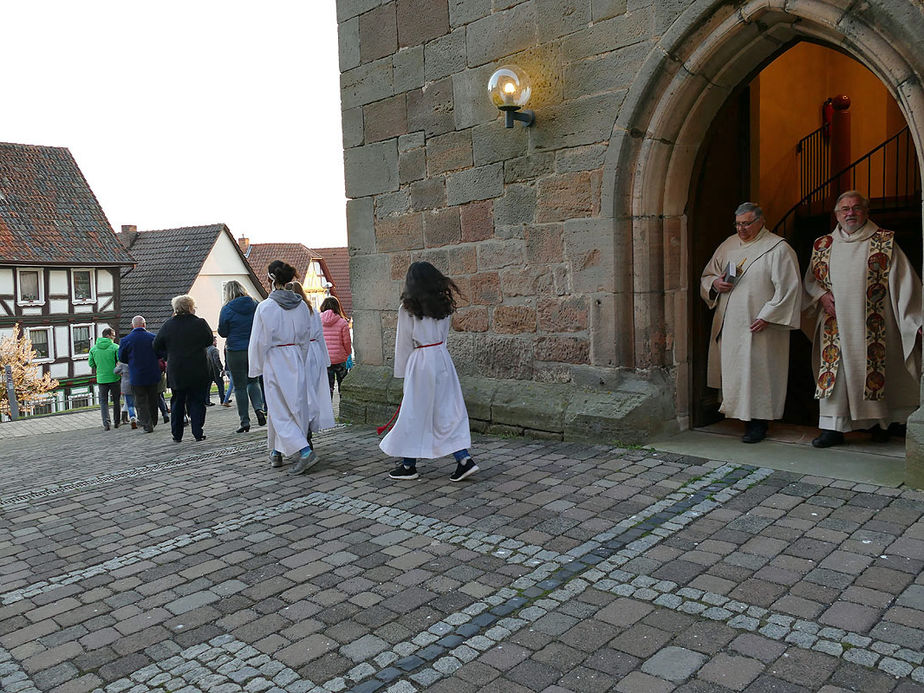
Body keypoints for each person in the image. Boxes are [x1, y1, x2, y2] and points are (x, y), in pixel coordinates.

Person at [804, 190, 922, 448]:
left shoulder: (884, 242)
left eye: (856, 208)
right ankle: (832, 428)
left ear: (866, 212)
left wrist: (916, 319)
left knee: (875, 373)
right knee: (837, 376)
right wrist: (821, 296)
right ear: (836, 215)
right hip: (834, 325)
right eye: (844, 209)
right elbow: (811, 282)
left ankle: (881, 424)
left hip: (875, 324)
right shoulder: (823, 245)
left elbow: (905, 284)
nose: (850, 213)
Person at [700, 202, 802, 443]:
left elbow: (790, 288)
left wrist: (768, 314)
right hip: (731, 323)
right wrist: (715, 284)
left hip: (761, 326)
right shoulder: (728, 245)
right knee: (736, 370)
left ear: (761, 221)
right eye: (738, 224)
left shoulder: (777, 248)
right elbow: (708, 275)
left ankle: (758, 423)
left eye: (746, 223)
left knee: (759, 373)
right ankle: (740, 418)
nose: (741, 229)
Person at [380, 261, 478, 482]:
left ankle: (408, 465)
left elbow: (404, 342)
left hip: (421, 361)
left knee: (414, 412)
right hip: (442, 358)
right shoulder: (443, 305)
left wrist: (403, 372)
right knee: (446, 410)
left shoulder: (408, 309)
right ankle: (463, 459)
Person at [248, 261, 331, 474]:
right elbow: (304, 336)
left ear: (270, 279)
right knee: (297, 407)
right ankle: (277, 451)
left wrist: (255, 367)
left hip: (275, 358)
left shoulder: (265, 307)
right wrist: (300, 357)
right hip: (295, 355)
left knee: (278, 409)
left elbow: (258, 340)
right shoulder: (301, 305)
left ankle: (304, 451)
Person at [153, 295, 214, 443]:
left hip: (177, 369)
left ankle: (177, 434)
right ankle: (197, 431)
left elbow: (156, 346)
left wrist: (168, 356)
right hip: (197, 367)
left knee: (177, 402)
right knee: (197, 400)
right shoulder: (200, 323)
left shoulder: (168, 325)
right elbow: (209, 340)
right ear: (190, 307)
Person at [217, 280, 266, 433]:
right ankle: (259, 408)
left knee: (239, 387)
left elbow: (223, 332)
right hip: (253, 348)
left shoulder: (226, 309)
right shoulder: (255, 304)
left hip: (235, 350)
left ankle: (245, 421)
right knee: (254, 381)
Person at [117, 315, 162, 433]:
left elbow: (122, 357)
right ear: (144, 324)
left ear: (132, 326)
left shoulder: (126, 340)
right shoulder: (153, 337)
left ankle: (147, 423)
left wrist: (132, 362)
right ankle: (154, 419)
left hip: (137, 374)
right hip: (152, 373)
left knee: (141, 400)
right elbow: (160, 353)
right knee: (153, 399)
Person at [88, 328, 121, 431]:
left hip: (101, 378)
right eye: (113, 336)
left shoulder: (93, 349)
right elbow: (120, 361)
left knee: (103, 401)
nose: (114, 338)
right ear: (108, 336)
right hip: (114, 377)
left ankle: (106, 423)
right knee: (116, 400)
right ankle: (117, 422)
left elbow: (91, 364)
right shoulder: (115, 347)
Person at [320, 296, 352, 397]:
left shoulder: (318, 320)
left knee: (328, 388)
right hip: (340, 358)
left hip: (325, 359)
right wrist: (348, 353)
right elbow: (346, 341)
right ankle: (344, 408)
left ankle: (328, 411)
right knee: (343, 387)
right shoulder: (342, 322)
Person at [112, 361, 137, 428]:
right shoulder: (135, 360)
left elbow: (115, 371)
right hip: (136, 383)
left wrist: (121, 372)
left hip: (126, 385)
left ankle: (132, 417)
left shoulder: (123, 364)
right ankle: (141, 418)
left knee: (130, 404)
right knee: (139, 402)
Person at [206, 337, 225, 406]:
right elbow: (217, 360)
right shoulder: (214, 350)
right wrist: (221, 368)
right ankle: (223, 399)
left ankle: (207, 401)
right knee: (220, 385)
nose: (216, 342)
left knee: (208, 387)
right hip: (215, 371)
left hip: (208, 371)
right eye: (216, 341)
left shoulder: (206, 349)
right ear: (213, 342)